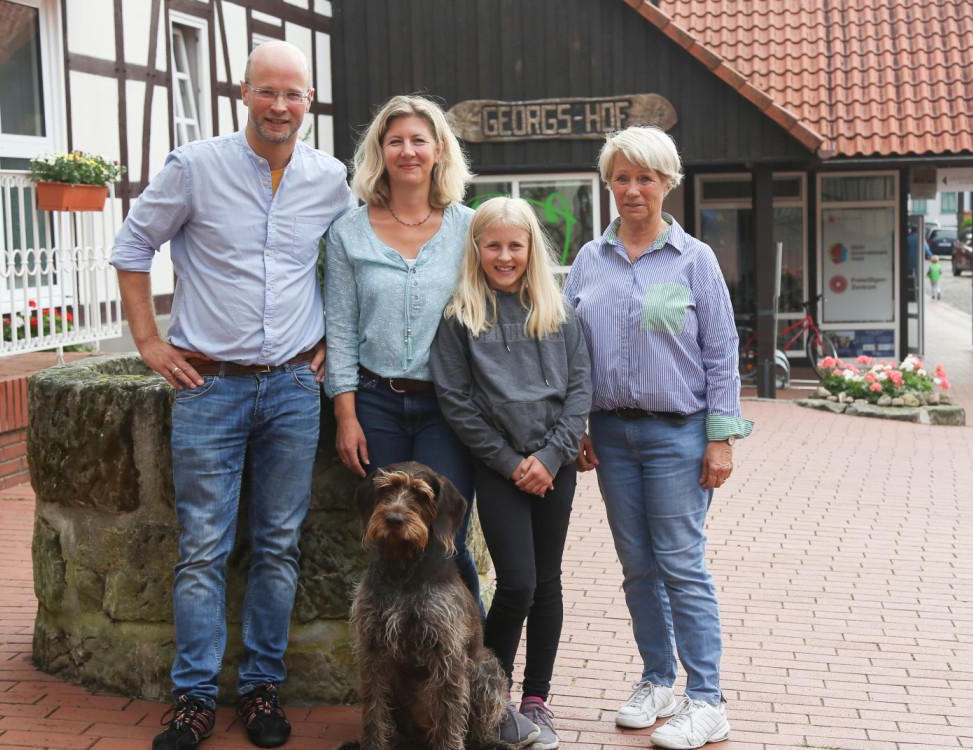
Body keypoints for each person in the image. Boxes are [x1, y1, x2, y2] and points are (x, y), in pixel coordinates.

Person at [111, 41, 352, 750]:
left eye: (294, 94)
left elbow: (348, 267)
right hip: (208, 388)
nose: (281, 106)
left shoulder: (329, 179)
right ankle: (192, 699)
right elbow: (131, 249)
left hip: (290, 390)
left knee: (279, 546)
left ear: (310, 102)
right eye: (267, 92)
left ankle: (260, 689)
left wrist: (336, 340)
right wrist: (150, 343)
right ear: (242, 93)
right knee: (202, 550)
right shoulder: (195, 167)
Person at [563, 126, 754, 750]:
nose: (633, 189)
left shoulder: (695, 260)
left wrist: (721, 437)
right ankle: (656, 680)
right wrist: (577, 426)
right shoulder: (589, 261)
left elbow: (722, 354)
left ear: (668, 182)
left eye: (646, 177)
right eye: (622, 177)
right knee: (637, 566)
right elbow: (568, 350)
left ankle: (707, 699)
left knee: (681, 565)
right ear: (609, 183)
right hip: (612, 435)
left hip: (678, 434)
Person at [431, 198, 593, 750]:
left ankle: (537, 700)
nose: (505, 256)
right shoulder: (461, 316)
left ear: (531, 249)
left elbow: (579, 392)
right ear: (476, 248)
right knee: (517, 582)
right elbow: (456, 402)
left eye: (515, 245)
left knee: (547, 582)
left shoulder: (558, 312)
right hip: (500, 469)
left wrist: (550, 458)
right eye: (493, 245)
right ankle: (492, 700)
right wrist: (509, 462)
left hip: (555, 467)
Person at [323, 95, 483, 610]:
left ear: (439, 151)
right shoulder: (348, 232)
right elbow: (342, 330)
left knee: (446, 542)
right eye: (396, 141)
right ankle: (397, 666)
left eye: (419, 141)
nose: (407, 151)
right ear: (380, 151)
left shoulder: (469, 228)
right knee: (390, 541)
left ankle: (475, 671)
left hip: (449, 407)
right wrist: (346, 416)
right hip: (376, 404)